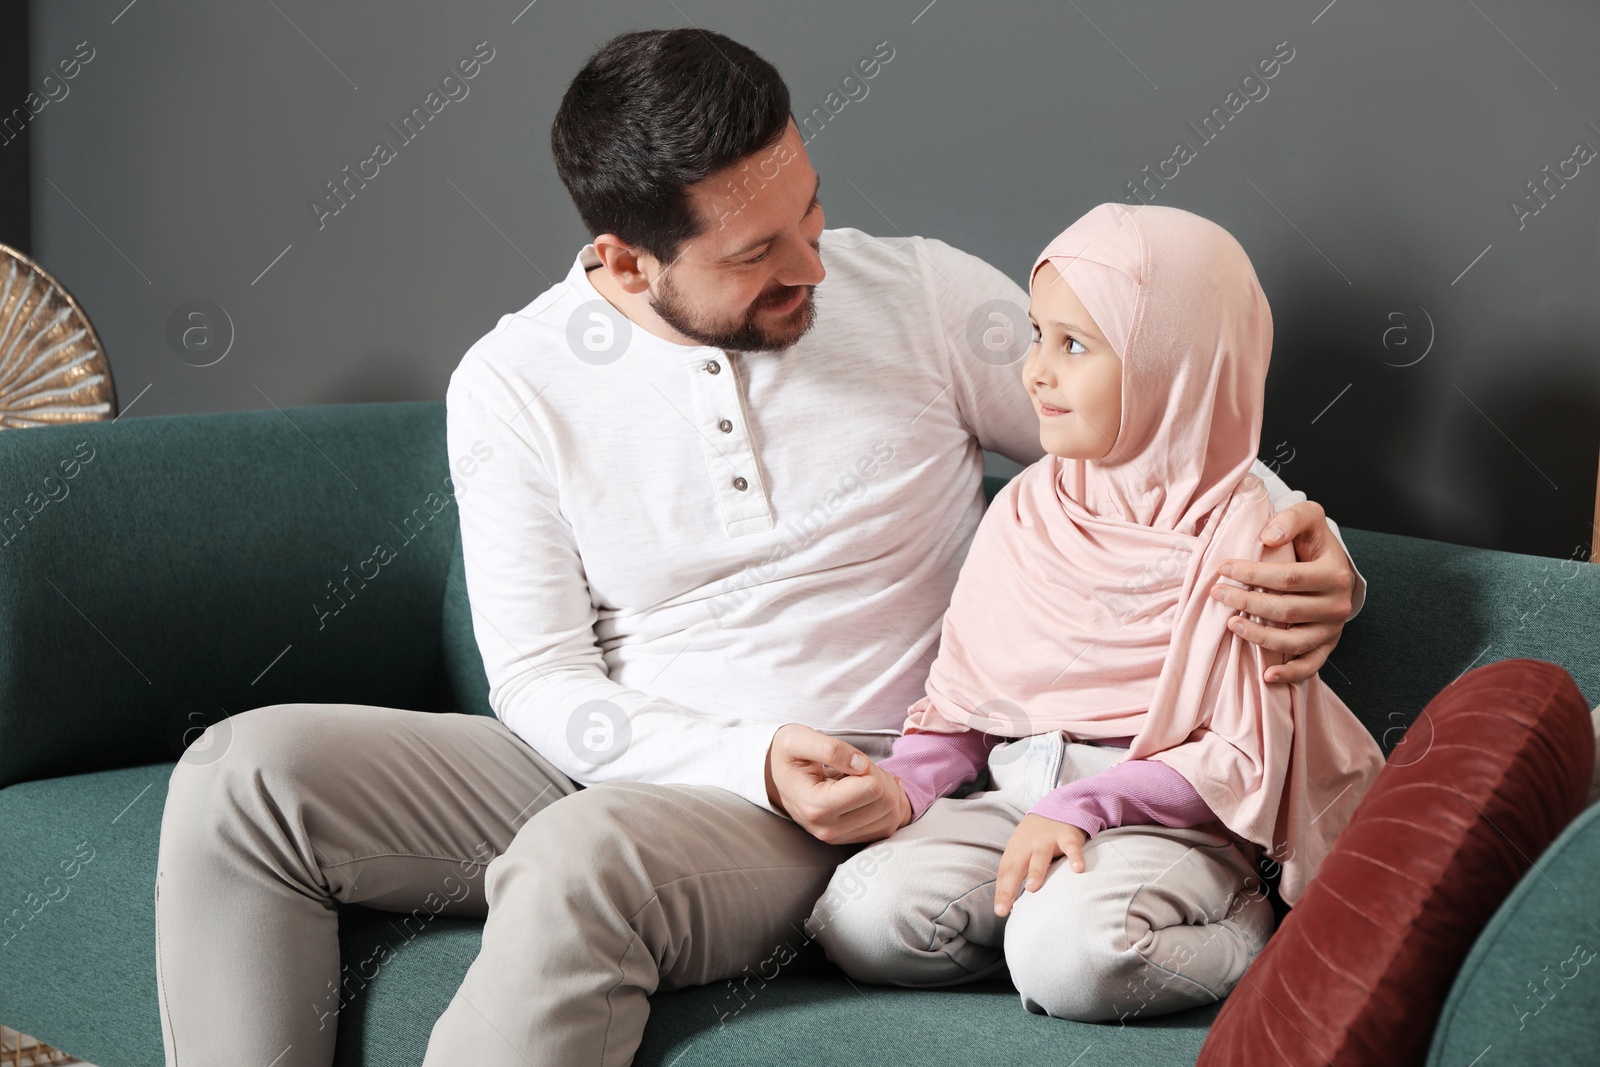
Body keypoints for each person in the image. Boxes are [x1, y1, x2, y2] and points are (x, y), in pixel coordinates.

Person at [153, 30, 1367, 1067]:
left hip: (862, 786)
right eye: (753, 255)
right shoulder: (515, 382)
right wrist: (743, 753)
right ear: (626, 260)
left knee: (585, 858)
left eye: (810, 209)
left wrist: (1317, 561)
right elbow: (539, 683)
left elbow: (1157, 427)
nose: (810, 266)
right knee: (242, 776)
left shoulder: (928, 299)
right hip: (623, 755)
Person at [804, 201, 1387, 1024]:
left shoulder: (1250, 535)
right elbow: (967, 708)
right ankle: (1034, 939)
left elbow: (1239, 758)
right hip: (1012, 803)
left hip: (1168, 823)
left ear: (1172, 365)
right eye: (1038, 335)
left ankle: (1248, 929)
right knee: (859, 916)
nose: (1035, 371)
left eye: (1074, 345)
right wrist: (901, 786)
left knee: (1078, 959)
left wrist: (1083, 805)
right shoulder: (1025, 511)